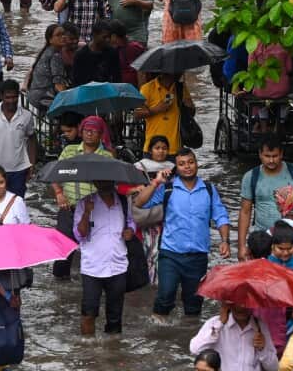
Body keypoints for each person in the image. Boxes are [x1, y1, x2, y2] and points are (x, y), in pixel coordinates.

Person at [134, 148, 232, 318]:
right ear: (176, 168)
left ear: (197, 164)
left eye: (190, 162)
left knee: (194, 304)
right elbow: (139, 203)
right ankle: (158, 335)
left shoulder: (209, 189)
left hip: (198, 256)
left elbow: (221, 216)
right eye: (182, 164)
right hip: (170, 254)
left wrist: (225, 240)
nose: (187, 167)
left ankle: (190, 338)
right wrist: (156, 182)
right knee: (165, 296)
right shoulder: (167, 189)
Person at [238, 135, 293, 260]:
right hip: (263, 242)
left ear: (281, 154)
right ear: (260, 154)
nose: (271, 160)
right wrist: (241, 246)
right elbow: (245, 212)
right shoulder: (250, 177)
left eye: (275, 156)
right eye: (267, 156)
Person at [50, 115, 114, 278]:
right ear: (81, 132)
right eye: (86, 130)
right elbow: (55, 174)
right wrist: (58, 193)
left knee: (94, 251)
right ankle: (61, 283)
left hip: (94, 211)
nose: (89, 134)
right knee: (63, 250)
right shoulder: (69, 151)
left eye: (94, 131)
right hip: (69, 207)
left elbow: (110, 187)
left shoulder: (107, 157)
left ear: (100, 134)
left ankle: (92, 280)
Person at [75, 179, 135, 336]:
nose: (105, 184)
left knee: (115, 317)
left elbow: (130, 221)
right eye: (101, 181)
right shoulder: (84, 202)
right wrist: (87, 212)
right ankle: (88, 351)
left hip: (118, 265)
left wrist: (130, 230)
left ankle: (113, 353)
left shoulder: (123, 201)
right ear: (94, 182)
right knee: (88, 313)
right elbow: (79, 233)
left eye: (108, 181)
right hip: (92, 267)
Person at [0, 80, 35, 197]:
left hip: (18, 171)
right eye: (7, 97)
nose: (11, 101)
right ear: (1, 96)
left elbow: (32, 138)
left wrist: (31, 163)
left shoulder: (26, 116)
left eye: (14, 97)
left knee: (15, 207)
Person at [131, 135, 174, 283]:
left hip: (165, 217)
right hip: (147, 214)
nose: (161, 151)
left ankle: (155, 282)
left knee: (161, 251)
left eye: (164, 148)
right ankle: (150, 281)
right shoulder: (139, 167)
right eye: (157, 148)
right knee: (147, 249)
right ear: (150, 150)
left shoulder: (174, 168)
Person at [189, 302, 280, 371]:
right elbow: (195, 349)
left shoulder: (260, 326)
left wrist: (262, 349)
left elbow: (274, 367)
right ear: (228, 303)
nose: (242, 307)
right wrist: (219, 324)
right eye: (237, 302)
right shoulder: (215, 323)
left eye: (246, 303)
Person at [137, 73, 192, 151]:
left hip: (175, 149)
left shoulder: (180, 88)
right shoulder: (147, 88)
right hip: (153, 148)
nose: (180, 73)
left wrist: (188, 106)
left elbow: (191, 113)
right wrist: (156, 109)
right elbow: (137, 113)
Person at [25, 23, 70, 115]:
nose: (63, 37)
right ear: (50, 40)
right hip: (44, 97)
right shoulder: (55, 55)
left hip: (34, 96)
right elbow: (58, 85)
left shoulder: (47, 51)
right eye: (58, 35)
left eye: (64, 34)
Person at [71, 20, 121, 86]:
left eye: (109, 37)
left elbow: (117, 78)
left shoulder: (112, 53)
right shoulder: (81, 55)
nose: (108, 40)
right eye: (104, 37)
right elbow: (77, 81)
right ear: (95, 35)